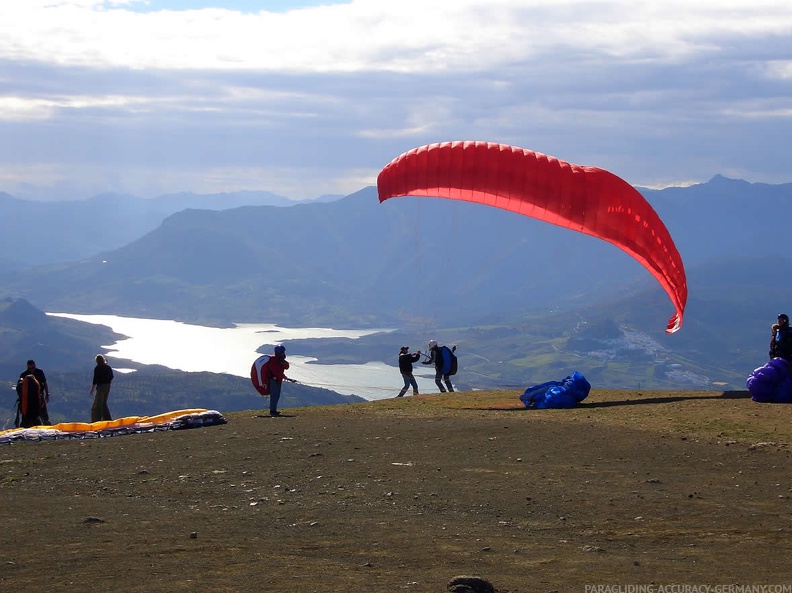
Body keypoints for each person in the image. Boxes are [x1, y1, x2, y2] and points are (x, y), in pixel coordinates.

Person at [267, 345, 296, 416]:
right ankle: (272, 411)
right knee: (274, 395)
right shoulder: (273, 360)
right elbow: (276, 372)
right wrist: (286, 378)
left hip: (278, 380)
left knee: (277, 395)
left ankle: (274, 410)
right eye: (282, 352)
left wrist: (283, 362)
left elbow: (287, 367)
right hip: (273, 380)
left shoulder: (280, 360)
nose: (283, 353)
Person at [20, 359, 51, 425]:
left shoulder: (39, 372)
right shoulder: (24, 375)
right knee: (30, 417)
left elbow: (45, 383)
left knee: (44, 416)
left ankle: (46, 426)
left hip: (39, 397)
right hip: (29, 400)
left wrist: (47, 394)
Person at [90, 354, 114, 422]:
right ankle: (107, 419)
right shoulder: (108, 367)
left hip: (101, 387)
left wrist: (92, 389)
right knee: (103, 403)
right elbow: (111, 376)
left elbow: (95, 379)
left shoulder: (97, 368)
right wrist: (108, 382)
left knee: (97, 406)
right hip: (107, 386)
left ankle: (96, 421)